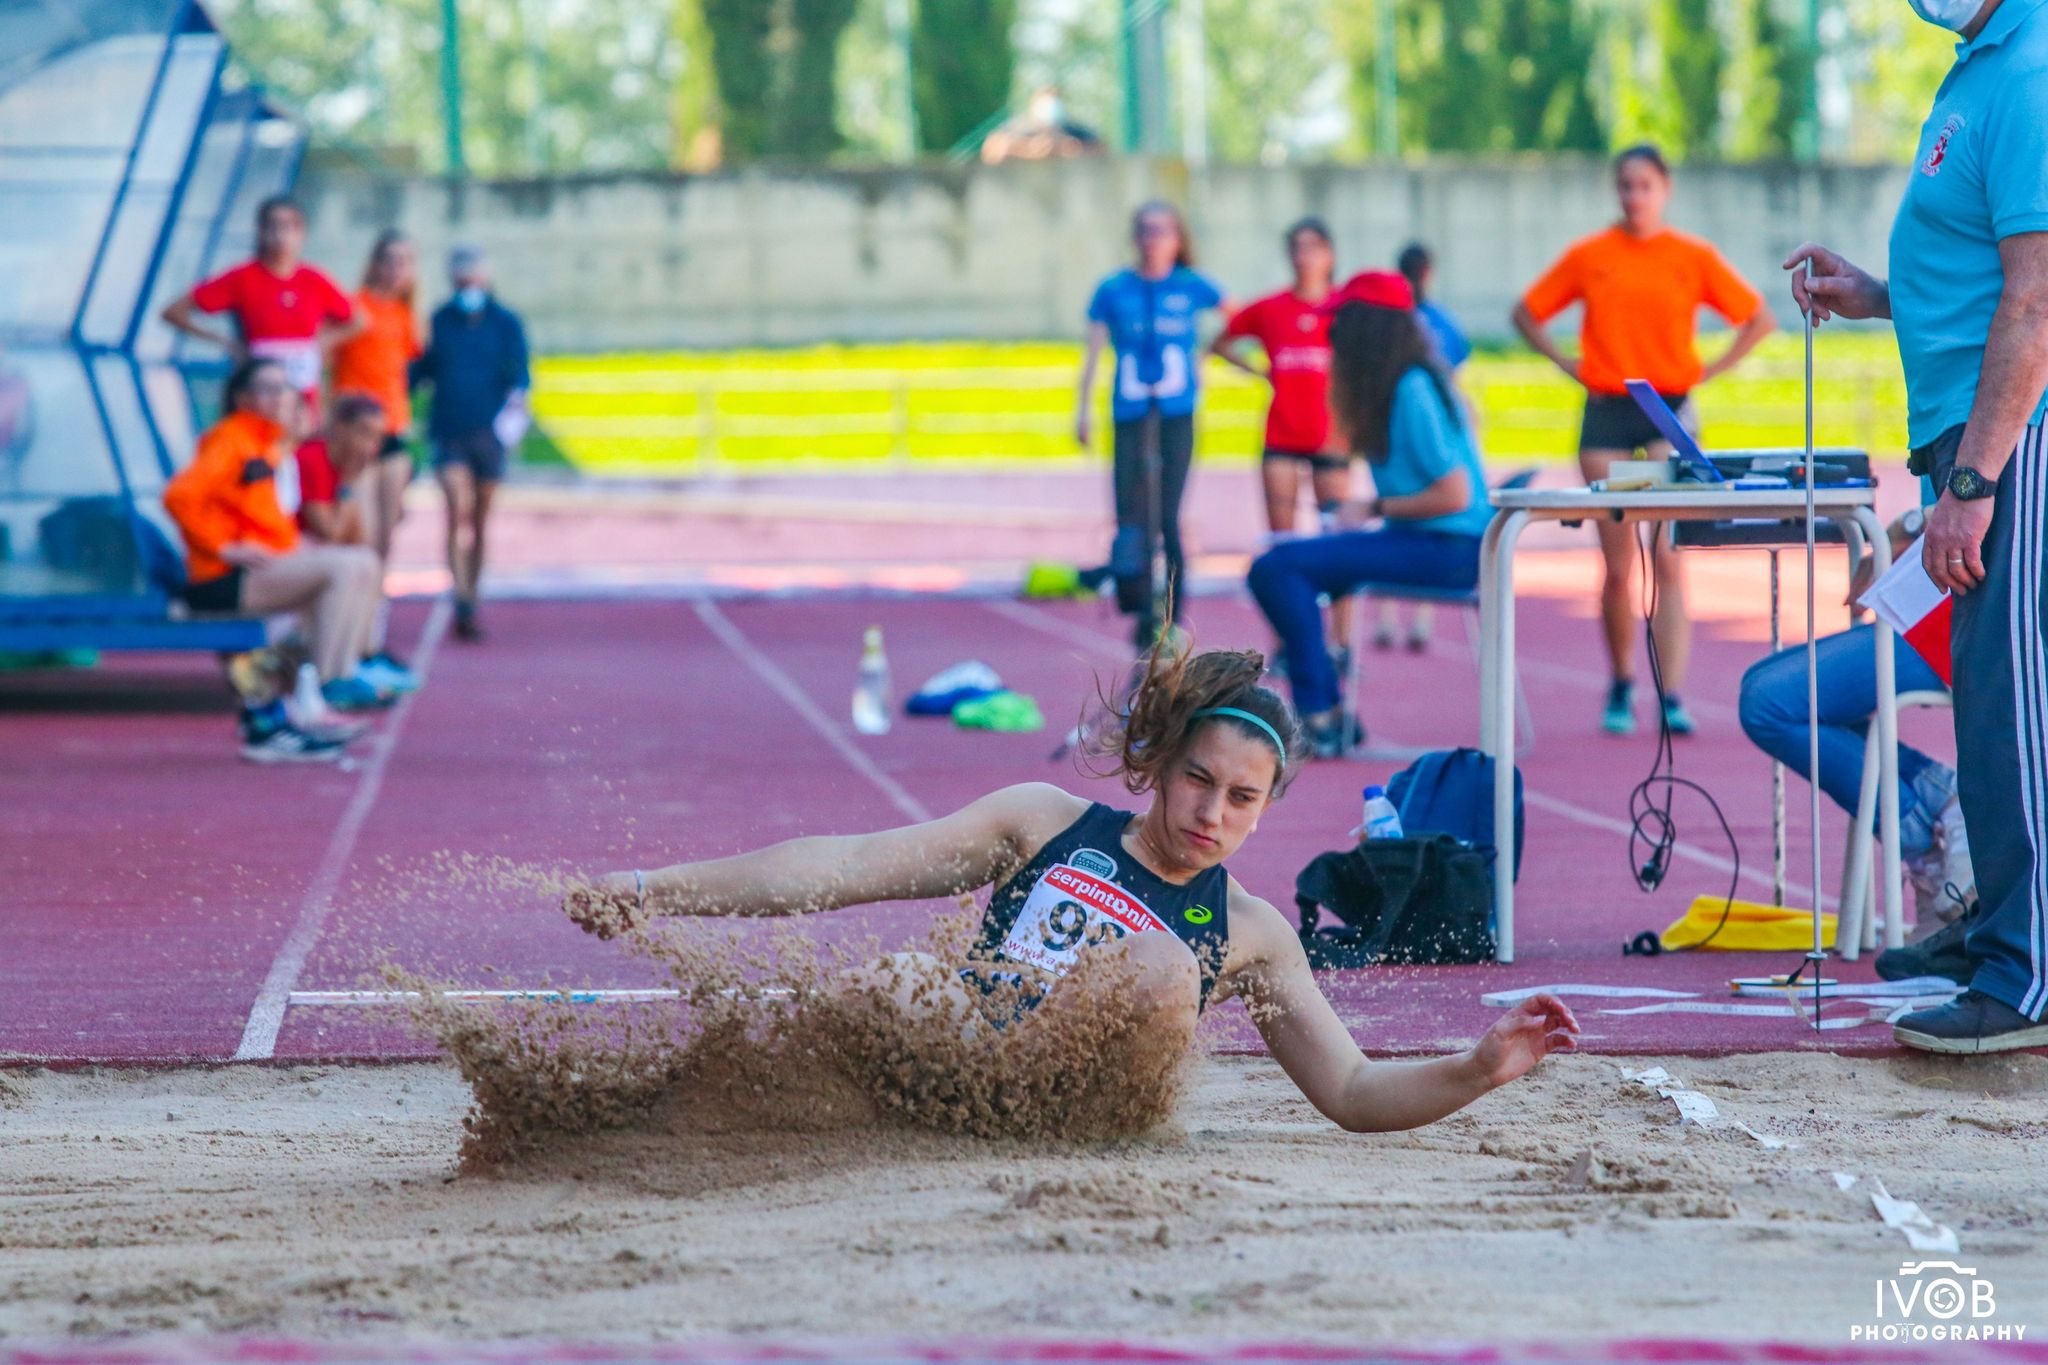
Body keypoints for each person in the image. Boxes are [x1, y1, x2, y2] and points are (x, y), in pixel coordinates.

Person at [561, 641, 1579, 1133]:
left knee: (1156, 959)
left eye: (1239, 798)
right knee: (896, 985)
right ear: (1159, 762)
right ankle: (655, 1109)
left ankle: (1045, 1111)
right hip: (956, 1070)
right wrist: (653, 887)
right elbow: (842, 868)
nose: (1210, 814)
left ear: (1264, 808)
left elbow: (1351, 1091)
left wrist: (1474, 1069)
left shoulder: (1256, 932)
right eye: (1195, 780)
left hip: (1084, 1117)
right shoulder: (1042, 821)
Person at [1785, 0, 2048, 1053]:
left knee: (2007, 709)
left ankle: (2023, 971)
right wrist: (1877, 295)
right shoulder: (1978, 64)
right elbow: (1976, 279)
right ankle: (1998, 927)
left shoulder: (2026, 69)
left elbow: (2033, 304)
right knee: (1989, 701)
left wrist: (1975, 480)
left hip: (2008, 444)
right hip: (1972, 437)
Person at [1512, 144, 1776, 737]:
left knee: (1667, 557)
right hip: (1607, 414)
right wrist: (1565, 362)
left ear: (1665, 188)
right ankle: (1622, 680)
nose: (1634, 196)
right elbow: (1527, 312)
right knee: (1616, 564)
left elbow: (1758, 317)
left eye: (1645, 185)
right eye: (1625, 185)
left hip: (1668, 414)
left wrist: (1711, 369)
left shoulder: (1691, 255)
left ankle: (1671, 691)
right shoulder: (1590, 255)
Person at [1246, 271, 1492, 758]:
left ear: (1367, 329)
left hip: (1451, 549)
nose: (1330, 334)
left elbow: (1455, 494)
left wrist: (1371, 508)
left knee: (1276, 568)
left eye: (1338, 323)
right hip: (1430, 540)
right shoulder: (1405, 382)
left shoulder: (1412, 389)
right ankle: (1329, 711)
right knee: (1290, 562)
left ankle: (1319, 714)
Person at [1739, 510, 1974, 967]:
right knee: (1760, 684)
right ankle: (1941, 805)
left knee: (1768, 702)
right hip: (1935, 603)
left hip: (1964, 620)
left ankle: (1920, 836)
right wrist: (1908, 526)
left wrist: (1906, 527)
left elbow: (1983, 486)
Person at [162, 359, 392, 760]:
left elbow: (263, 519)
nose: (281, 396)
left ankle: (315, 692)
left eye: (284, 387)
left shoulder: (264, 443)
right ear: (242, 398)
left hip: (259, 569)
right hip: (223, 577)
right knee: (345, 566)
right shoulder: (230, 439)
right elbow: (179, 496)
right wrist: (222, 548)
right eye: (269, 388)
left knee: (360, 562)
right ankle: (322, 687)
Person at [1075, 202, 1232, 647]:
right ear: (1134, 237)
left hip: (1176, 413)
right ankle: (1139, 607)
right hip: (1129, 412)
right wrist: (1082, 408)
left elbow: (1239, 319)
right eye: (1145, 230)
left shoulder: (1191, 286)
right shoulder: (1113, 290)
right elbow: (1093, 353)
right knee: (1131, 515)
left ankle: (1170, 619)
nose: (1153, 240)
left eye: (1163, 231)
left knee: (1167, 516)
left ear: (1178, 239)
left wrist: (1208, 356)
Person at [1210, 217, 1355, 672]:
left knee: (1339, 541)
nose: (1303, 255)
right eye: (1295, 246)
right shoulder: (1271, 308)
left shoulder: (1345, 310)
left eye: (1312, 246)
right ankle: (1288, 644)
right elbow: (1222, 341)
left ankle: (1341, 644)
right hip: (1282, 437)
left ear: (1330, 254)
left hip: (1332, 437)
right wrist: (1258, 370)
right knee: (1283, 545)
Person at [411, 245, 529, 642]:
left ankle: (473, 595)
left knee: (479, 519)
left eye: (475, 278)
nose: (469, 286)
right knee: (455, 506)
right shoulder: (439, 322)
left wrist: (514, 414)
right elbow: (419, 371)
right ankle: (458, 593)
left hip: (489, 435)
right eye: (462, 279)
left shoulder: (506, 323)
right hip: (449, 430)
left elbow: (521, 375)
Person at [161, 196, 362, 410]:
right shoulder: (243, 277)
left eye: (289, 226)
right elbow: (174, 311)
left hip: (303, 400)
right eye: (273, 226)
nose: (280, 235)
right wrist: (225, 342)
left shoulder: (314, 280)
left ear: (301, 232)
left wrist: (323, 342)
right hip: (258, 397)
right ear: (260, 231)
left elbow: (358, 320)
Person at [330, 229, 424, 676]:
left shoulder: (406, 317)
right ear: (374, 264)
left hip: (394, 434)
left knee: (385, 540)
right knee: (361, 537)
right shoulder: (353, 308)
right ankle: (351, 642)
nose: (395, 269)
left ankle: (372, 639)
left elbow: (401, 368)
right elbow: (326, 351)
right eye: (388, 259)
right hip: (358, 434)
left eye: (404, 261)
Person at [295, 393, 422, 697]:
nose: (372, 447)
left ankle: (349, 665)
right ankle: (329, 675)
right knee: (353, 565)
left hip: (308, 548)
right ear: (338, 427)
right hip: (292, 548)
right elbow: (329, 530)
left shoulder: (339, 466)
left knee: (366, 560)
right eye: (364, 433)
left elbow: (357, 538)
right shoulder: (313, 457)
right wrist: (349, 486)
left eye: (377, 437)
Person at [1382, 241, 1475, 652]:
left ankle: (1391, 618)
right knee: (1423, 502)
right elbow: (1456, 371)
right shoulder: (1440, 321)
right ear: (1429, 273)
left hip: (1413, 419)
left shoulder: (1401, 326)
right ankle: (1418, 619)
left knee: (1410, 504)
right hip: (1434, 413)